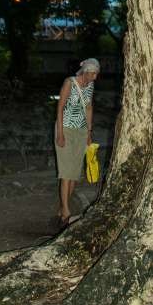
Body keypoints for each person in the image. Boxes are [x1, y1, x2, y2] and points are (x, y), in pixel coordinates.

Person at [54, 57, 99, 226]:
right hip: (65, 129)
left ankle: (62, 208)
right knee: (66, 172)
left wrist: (88, 132)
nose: (94, 77)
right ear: (85, 71)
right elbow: (60, 107)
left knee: (74, 174)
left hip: (81, 132)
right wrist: (60, 133)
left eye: (96, 74)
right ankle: (66, 210)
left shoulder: (90, 86)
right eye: (92, 74)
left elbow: (88, 108)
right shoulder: (69, 83)